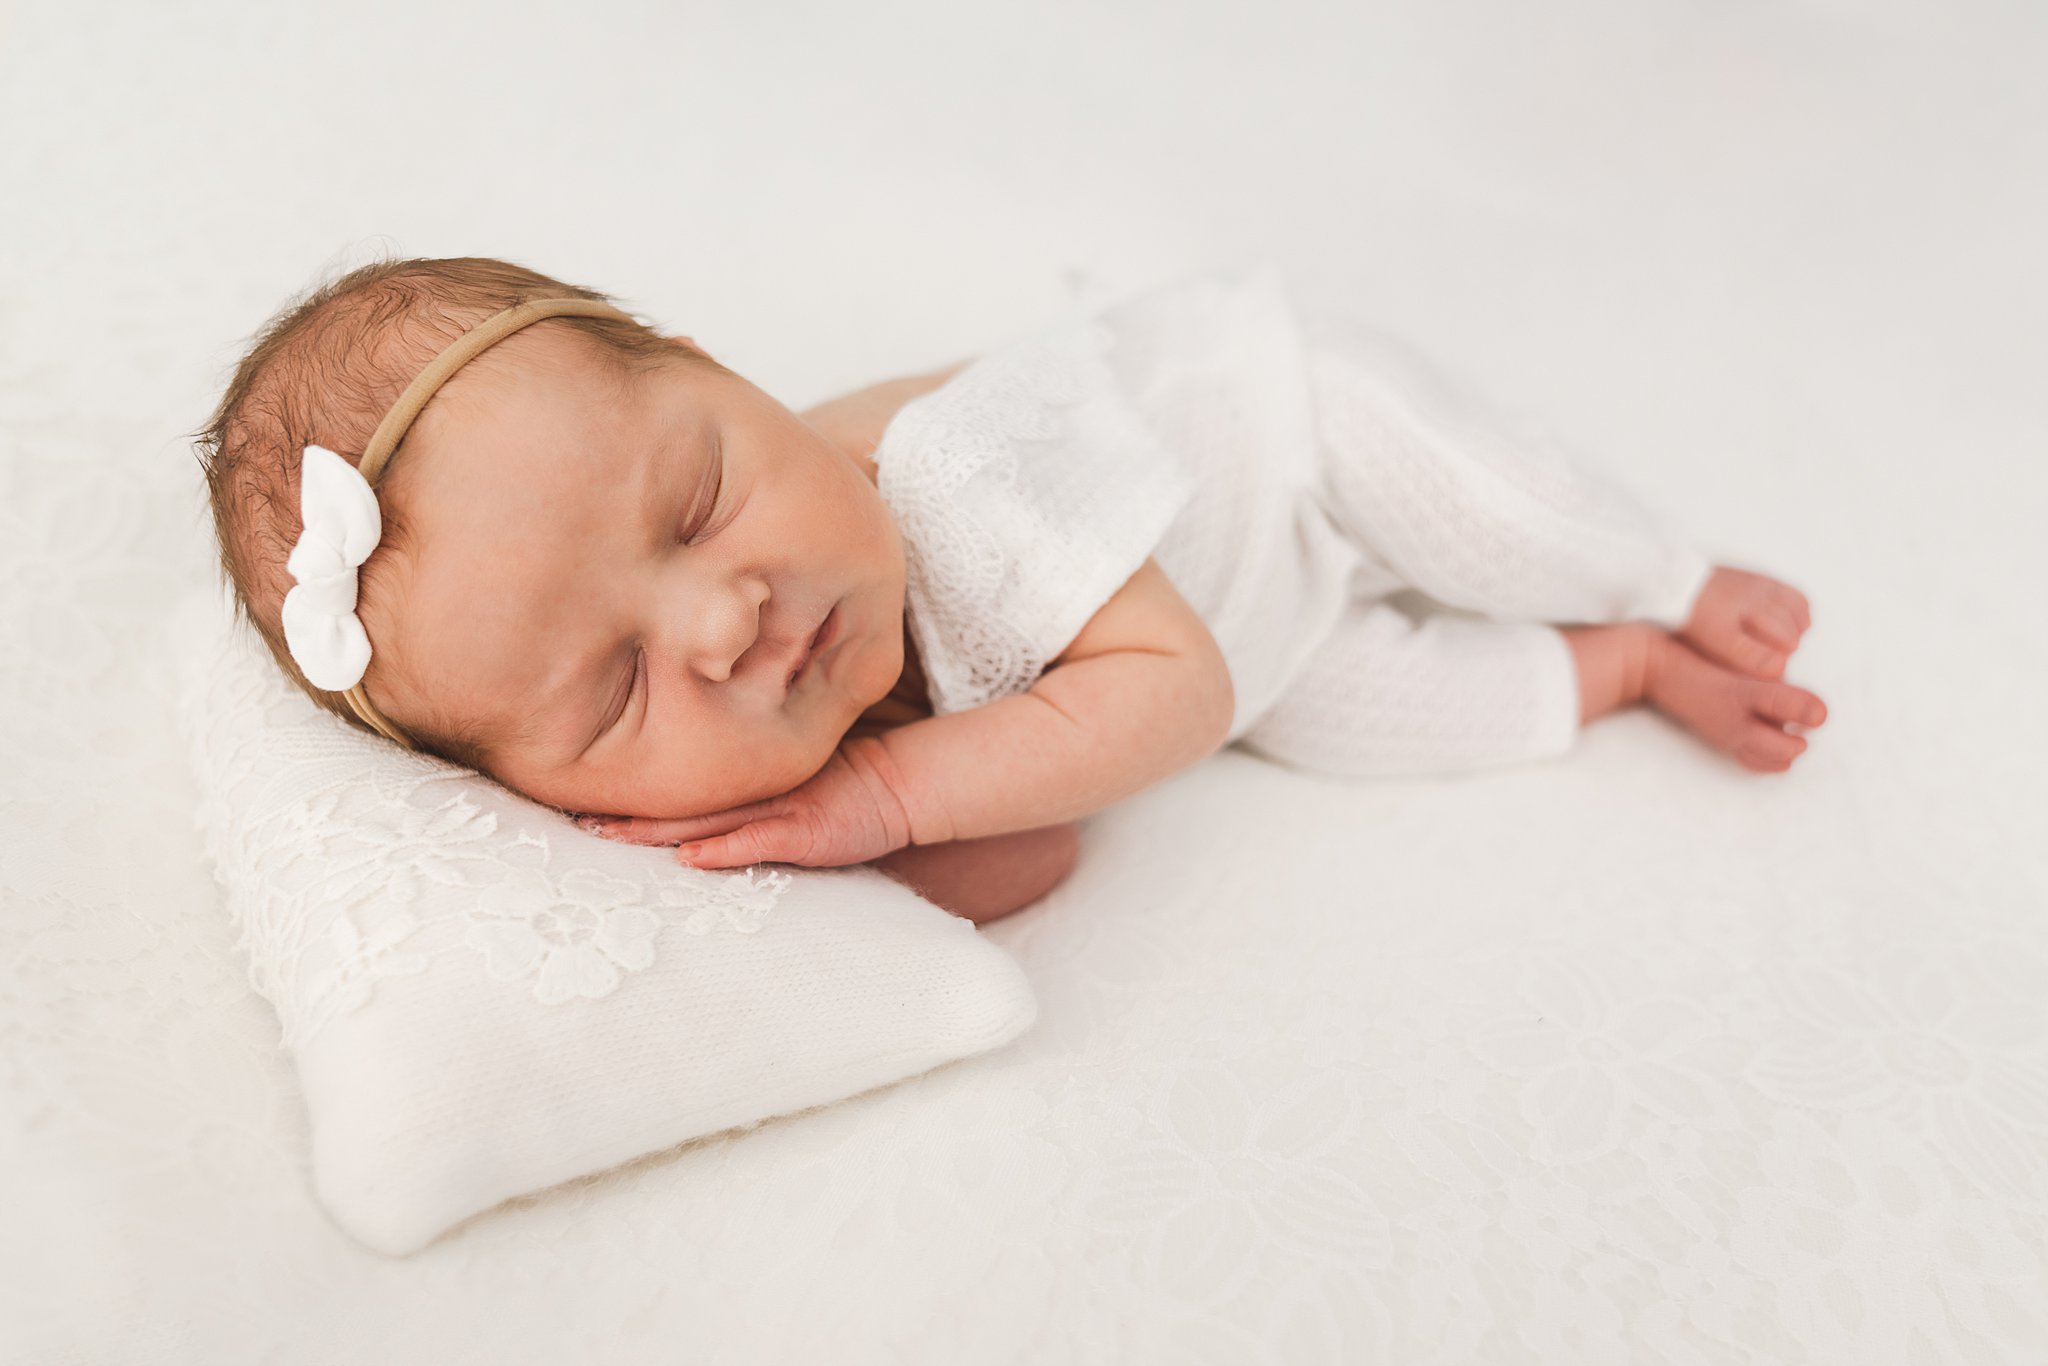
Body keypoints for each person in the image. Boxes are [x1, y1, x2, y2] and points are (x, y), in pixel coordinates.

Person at [195, 257, 1824, 922]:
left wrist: (892, 793)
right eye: (616, 695)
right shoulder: (795, 724)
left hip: (1276, 429)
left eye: (696, 501)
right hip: (1242, 640)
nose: (723, 618)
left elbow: (1162, 698)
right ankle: (1619, 669)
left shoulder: (946, 471)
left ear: (720, 371)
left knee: (1477, 502)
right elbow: (1045, 841)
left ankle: (1657, 571)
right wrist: (856, 852)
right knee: (1363, 722)